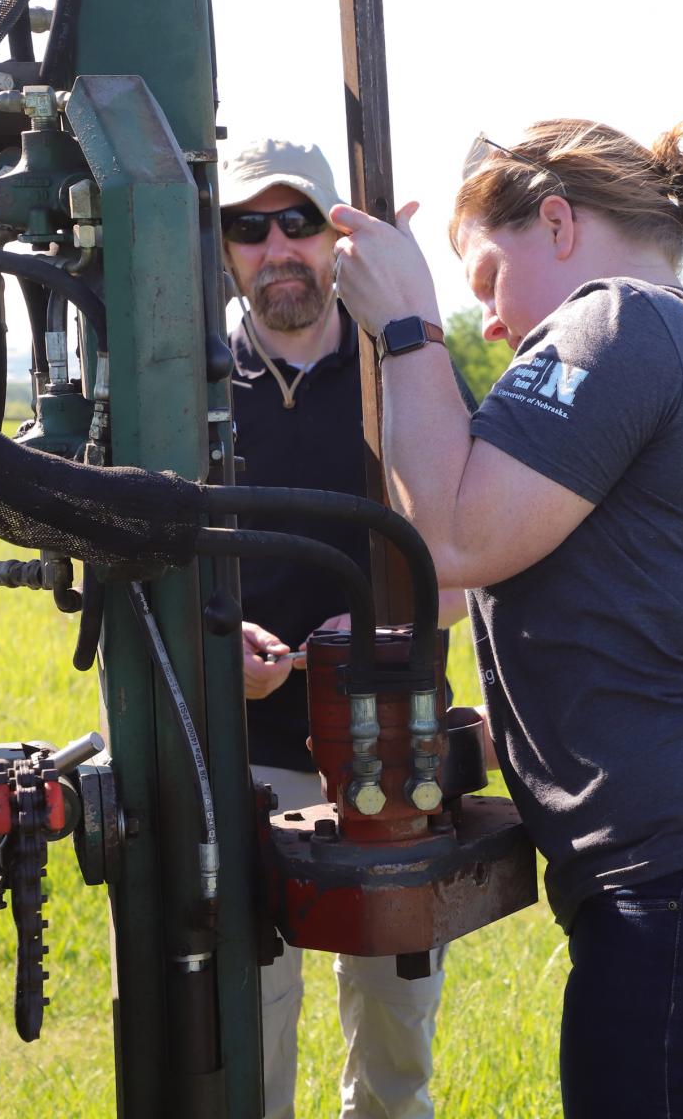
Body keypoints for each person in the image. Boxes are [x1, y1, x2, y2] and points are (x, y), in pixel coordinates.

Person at [327, 116, 683, 1119]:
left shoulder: (619, 322)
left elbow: (454, 544)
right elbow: (454, 579)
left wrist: (407, 327)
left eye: (484, 282)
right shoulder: (665, 338)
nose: (492, 324)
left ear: (556, 223)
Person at [220, 135, 466, 1119]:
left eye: (299, 222)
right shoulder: (176, 389)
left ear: (338, 237)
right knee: (248, 1037)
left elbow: (469, 559)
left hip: (391, 755)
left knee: (396, 1045)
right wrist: (213, 644)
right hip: (244, 759)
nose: (277, 247)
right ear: (221, 249)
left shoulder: (404, 374)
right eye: (249, 227)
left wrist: (376, 630)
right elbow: (134, 567)